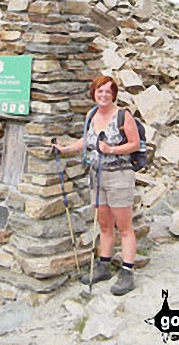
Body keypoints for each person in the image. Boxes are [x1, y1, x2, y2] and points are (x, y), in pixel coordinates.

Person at [55, 75, 140, 296]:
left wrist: (110, 149)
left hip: (119, 175)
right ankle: (103, 265)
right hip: (97, 175)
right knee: (104, 224)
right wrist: (65, 149)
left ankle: (127, 272)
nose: (103, 95)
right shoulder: (91, 114)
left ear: (114, 95)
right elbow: (87, 141)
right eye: (99, 91)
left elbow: (135, 144)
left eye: (108, 91)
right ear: (94, 92)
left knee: (124, 226)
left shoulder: (123, 115)